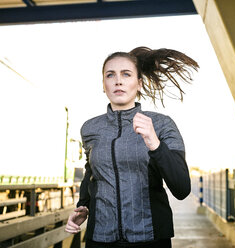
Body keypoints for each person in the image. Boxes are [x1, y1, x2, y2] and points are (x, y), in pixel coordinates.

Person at [65, 46, 199, 248]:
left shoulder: (162, 124)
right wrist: (83, 205)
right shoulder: (90, 128)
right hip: (100, 239)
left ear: (139, 83)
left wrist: (155, 143)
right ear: (103, 85)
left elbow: (181, 188)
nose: (118, 80)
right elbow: (91, 173)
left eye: (126, 74)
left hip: (150, 238)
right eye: (110, 75)